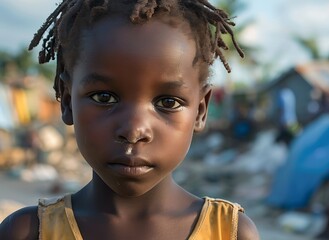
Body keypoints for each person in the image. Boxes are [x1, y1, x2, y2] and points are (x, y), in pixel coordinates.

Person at [0, 0, 259, 239]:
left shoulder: (230, 232)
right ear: (67, 100)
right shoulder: (29, 233)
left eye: (168, 102)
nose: (134, 130)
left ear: (200, 111)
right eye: (104, 98)